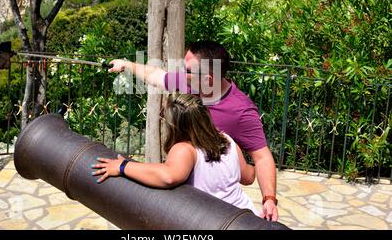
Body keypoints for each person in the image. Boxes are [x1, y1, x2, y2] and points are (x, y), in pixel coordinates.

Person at [108, 40, 279, 221]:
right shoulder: (190, 83)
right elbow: (156, 75)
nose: (181, 74)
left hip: (215, 213)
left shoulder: (241, 111)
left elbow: (262, 157)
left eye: (187, 70)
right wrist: (125, 65)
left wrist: (269, 199)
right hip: (191, 202)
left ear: (208, 79)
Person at [92, 93, 259, 215]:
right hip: (246, 214)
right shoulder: (226, 140)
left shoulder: (185, 149)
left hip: (216, 222)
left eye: (164, 119)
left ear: (176, 126)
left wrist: (123, 166)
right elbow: (248, 176)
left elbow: (168, 176)